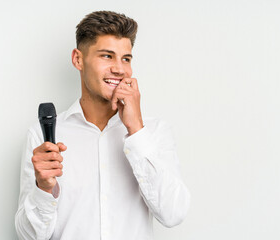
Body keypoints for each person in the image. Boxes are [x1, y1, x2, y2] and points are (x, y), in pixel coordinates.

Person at [15, 10, 190, 240]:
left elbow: (173, 213)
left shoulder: (154, 132)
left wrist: (136, 130)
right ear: (78, 59)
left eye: (126, 58)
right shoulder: (43, 136)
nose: (119, 69)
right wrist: (43, 188)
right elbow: (28, 236)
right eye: (107, 56)